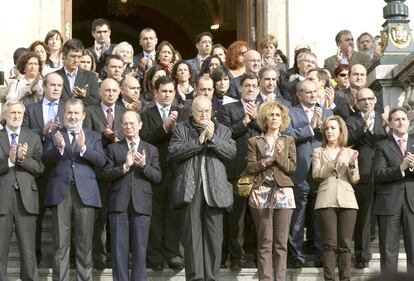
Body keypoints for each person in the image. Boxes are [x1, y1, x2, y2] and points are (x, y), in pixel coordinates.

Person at [168, 95, 236, 281]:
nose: (203, 114)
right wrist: (198, 141)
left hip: (215, 191)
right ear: (192, 111)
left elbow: (231, 152)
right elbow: (174, 152)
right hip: (191, 191)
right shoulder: (181, 129)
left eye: (207, 110)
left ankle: (212, 278)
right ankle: (195, 278)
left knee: (215, 239)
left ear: (212, 111)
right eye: (199, 111)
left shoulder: (222, 130)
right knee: (192, 239)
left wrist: (212, 138)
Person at [42, 98, 106, 281]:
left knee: (84, 246)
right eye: (69, 112)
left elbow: (101, 161)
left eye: (76, 113)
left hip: (85, 195)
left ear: (83, 115)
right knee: (60, 246)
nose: (72, 116)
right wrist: (59, 149)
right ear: (63, 114)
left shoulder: (93, 136)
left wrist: (84, 148)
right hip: (60, 194)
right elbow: (45, 160)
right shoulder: (54, 135)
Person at [102, 110, 162, 281]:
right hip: (118, 204)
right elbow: (105, 174)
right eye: (125, 123)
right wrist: (125, 167)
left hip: (141, 205)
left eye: (132, 123)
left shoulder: (151, 150)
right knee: (119, 252)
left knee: (140, 251)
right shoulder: (113, 148)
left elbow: (158, 177)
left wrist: (143, 166)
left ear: (140, 125)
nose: (128, 127)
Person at [245, 100, 296, 281]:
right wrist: (268, 159)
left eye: (277, 115)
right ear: (264, 119)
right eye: (271, 115)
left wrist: (278, 156)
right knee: (265, 242)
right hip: (261, 193)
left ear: (282, 119)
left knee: (281, 243)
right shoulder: (254, 141)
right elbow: (250, 168)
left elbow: (291, 168)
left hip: (283, 193)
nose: (274, 118)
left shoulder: (288, 140)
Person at [140, 76, 185, 271]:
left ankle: (173, 254)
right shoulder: (146, 114)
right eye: (163, 91)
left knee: (174, 214)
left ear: (175, 93)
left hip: (176, 171)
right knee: (155, 215)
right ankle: (155, 257)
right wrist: (165, 127)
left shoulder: (183, 114)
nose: (167, 95)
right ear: (155, 93)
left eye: (170, 92)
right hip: (154, 171)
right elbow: (145, 139)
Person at [218, 72, 262, 270]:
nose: (251, 89)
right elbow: (225, 133)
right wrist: (245, 121)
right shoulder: (229, 109)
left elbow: (270, 130)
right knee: (237, 217)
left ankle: (259, 255)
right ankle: (237, 257)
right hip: (241, 173)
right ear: (240, 89)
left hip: (262, 172)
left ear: (258, 89)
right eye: (247, 86)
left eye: (254, 86)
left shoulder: (266, 109)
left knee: (260, 216)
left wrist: (256, 119)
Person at [285, 79, 330, 268]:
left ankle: (321, 255)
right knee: (297, 217)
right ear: (299, 95)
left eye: (314, 91)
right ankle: (296, 256)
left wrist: (324, 128)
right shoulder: (290, 112)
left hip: (322, 172)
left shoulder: (327, 112)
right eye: (308, 92)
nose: (313, 95)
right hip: (300, 172)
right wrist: (311, 127)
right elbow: (287, 135)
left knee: (320, 217)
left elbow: (337, 137)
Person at [22, 72, 66, 263]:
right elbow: (22, 133)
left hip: (61, 167)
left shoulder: (68, 108)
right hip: (38, 168)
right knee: (36, 214)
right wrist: (42, 131)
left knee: (63, 217)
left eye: (59, 86)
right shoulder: (31, 109)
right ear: (44, 87)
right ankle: (35, 255)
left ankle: (65, 257)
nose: (56, 88)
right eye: (53, 85)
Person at [0, 101, 44, 281]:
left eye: (19, 113)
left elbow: (40, 168)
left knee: (28, 250)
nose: (16, 116)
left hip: (26, 199)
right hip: (2, 199)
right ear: (4, 115)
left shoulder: (33, 137)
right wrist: (9, 162)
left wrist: (22, 159)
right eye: (12, 113)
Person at [312, 115, 360, 281]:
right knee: (329, 244)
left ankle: (346, 278)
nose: (329, 131)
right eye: (327, 128)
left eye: (333, 128)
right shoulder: (318, 151)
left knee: (345, 245)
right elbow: (316, 174)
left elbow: (355, 179)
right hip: (326, 200)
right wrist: (334, 162)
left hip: (348, 201)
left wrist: (352, 165)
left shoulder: (351, 152)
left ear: (341, 131)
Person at [346, 87, 389, 269]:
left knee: (387, 216)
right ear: (357, 102)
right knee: (363, 216)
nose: (367, 102)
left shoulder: (385, 119)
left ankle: (386, 258)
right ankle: (362, 255)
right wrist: (363, 126)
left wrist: (388, 128)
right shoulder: (351, 120)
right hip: (363, 173)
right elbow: (348, 141)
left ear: (375, 100)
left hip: (385, 173)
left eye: (370, 99)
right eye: (362, 99)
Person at [373, 107, 414, 273]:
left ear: (409, 121)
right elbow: (378, 173)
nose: (401, 122)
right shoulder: (382, 145)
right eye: (396, 119)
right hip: (389, 202)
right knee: (388, 251)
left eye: (404, 119)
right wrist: (401, 168)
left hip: (412, 203)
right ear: (389, 123)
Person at [56, 39, 100, 106]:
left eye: (79, 57)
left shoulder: (91, 77)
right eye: (73, 56)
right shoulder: (54, 76)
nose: (76, 60)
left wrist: (84, 96)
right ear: (64, 56)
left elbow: (97, 102)